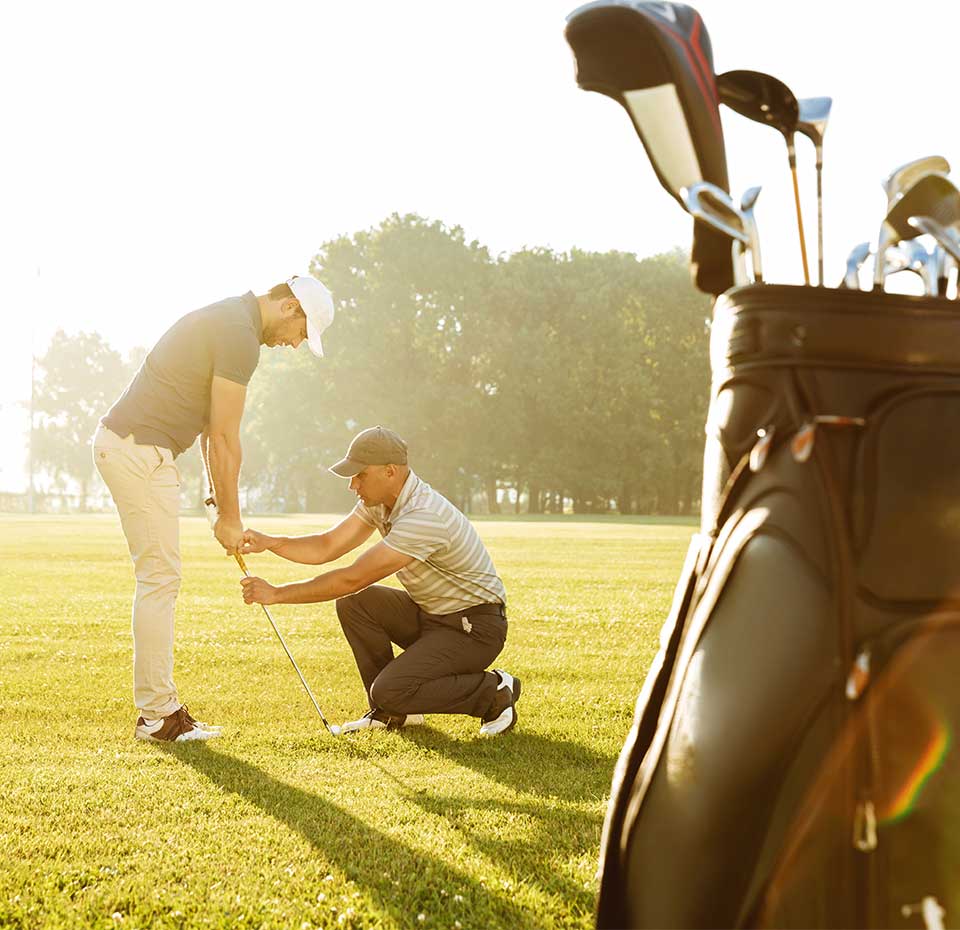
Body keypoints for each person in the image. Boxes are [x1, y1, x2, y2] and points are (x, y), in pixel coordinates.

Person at [93, 276, 335, 743]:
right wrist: (230, 517)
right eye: (302, 333)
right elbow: (225, 436)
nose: (296, 344)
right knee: (160, 578)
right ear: (289, 307)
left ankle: (160, 713)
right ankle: (158, 717)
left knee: (162, 578)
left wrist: (214, 501)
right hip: (136, 448)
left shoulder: (233, 321)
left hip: (145, 450)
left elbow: (208, 432)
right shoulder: (239, 336)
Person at [239, 426, 520, 737]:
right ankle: (393, 714)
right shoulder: (379, 502)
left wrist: (277, 594)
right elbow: (328, 545)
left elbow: (352, 577)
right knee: (357, 604)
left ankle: (492, 692)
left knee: (387, 687)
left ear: (390, 471)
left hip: (474, 629)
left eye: (359, 475)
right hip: (432, 616)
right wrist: (271, 542)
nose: (352, 484)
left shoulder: (423, 516)